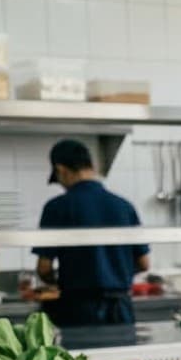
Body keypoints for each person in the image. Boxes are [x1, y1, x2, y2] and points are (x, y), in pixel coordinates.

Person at [33, 139, 149, 327]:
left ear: (61, 170)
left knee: (83, 348)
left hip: (77, 310)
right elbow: (144, 264)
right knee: (122, 347)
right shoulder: (124, 206)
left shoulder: (56, 207)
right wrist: (117, 273)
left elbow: (44, 268)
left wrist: (59, 280)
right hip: (120, 309)